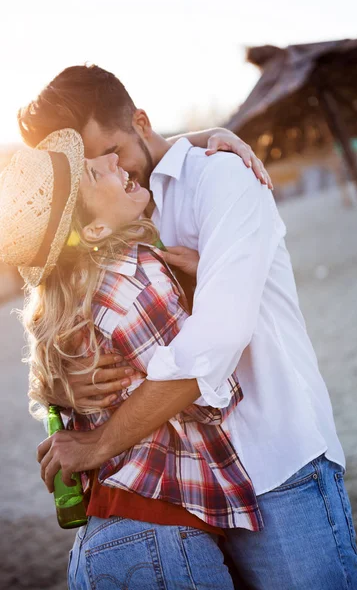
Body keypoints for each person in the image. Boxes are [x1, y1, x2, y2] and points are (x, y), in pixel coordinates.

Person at [19, 65, 357, 589]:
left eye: (110, 150)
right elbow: (71, 326)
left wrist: (98, 442)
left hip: (278, 467)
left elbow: (220, 336)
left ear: (140, 121)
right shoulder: (121, 221)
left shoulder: (218, 176)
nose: (112, 166)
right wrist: (62, 383)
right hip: (196, 495)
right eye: (91, 166)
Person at [0, 127, 267, 589]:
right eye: (91, 170)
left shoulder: (73, 303)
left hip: (102, 541)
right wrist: (214, 289)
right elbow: (209, 393)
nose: (108, 161)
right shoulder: (135, 278)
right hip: (158, 540)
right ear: (97, 229)